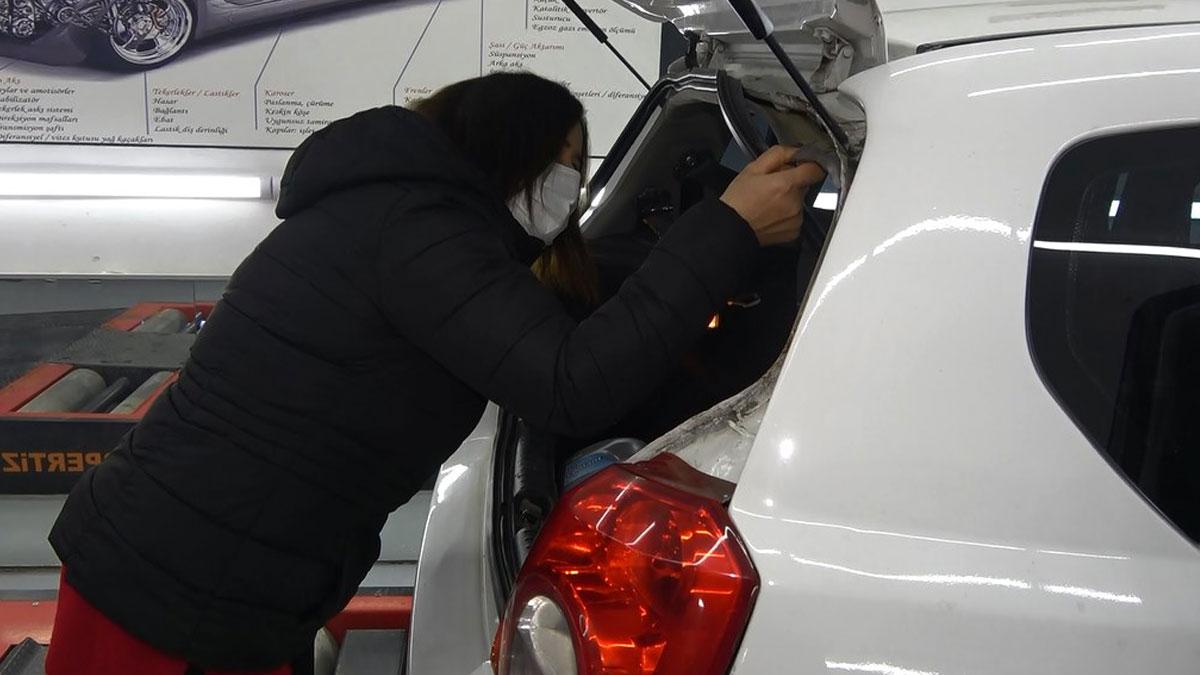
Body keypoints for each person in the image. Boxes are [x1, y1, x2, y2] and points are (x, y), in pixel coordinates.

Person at [45, 72, 824, 674]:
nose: (570, 186)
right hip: (169, 586)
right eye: (562, 161)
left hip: (229, 576)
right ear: (507, 147)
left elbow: (542, 318)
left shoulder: (403, 217)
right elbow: (570, 381)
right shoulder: (417, 232)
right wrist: (727, 229)